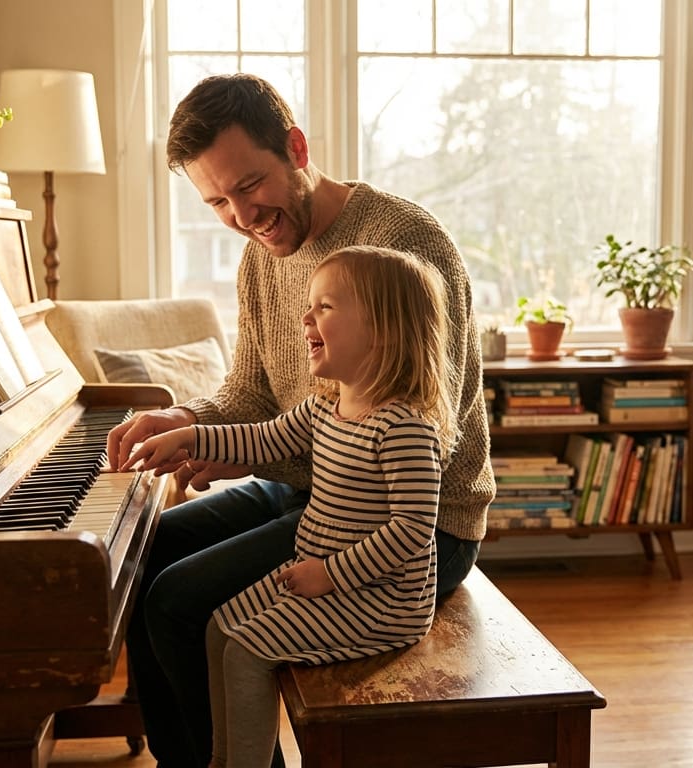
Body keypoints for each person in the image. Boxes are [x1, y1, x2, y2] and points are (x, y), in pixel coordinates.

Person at [107, 72, 495, 768]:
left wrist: (246, 454)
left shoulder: (402, 245)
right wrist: (188, 418)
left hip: (408, 525)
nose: (243, 216)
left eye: (250, 185)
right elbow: (252, 395)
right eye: (218, 202)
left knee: (178, 603)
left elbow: (431, 435)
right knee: (146, 554)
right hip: (313, 493)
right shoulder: (262, 259)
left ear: (295, 145)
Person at [122, 246, 454, 768]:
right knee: (217, 629)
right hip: (327, 573)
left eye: (325, 306)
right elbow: (261, 439)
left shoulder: (405, 428)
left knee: (249, 652)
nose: (305, 318)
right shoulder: (326, 404)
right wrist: (189, 436)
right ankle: (225, 758)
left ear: (385, 329)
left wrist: (331, 573)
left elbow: (413, 530)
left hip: (385, 599)